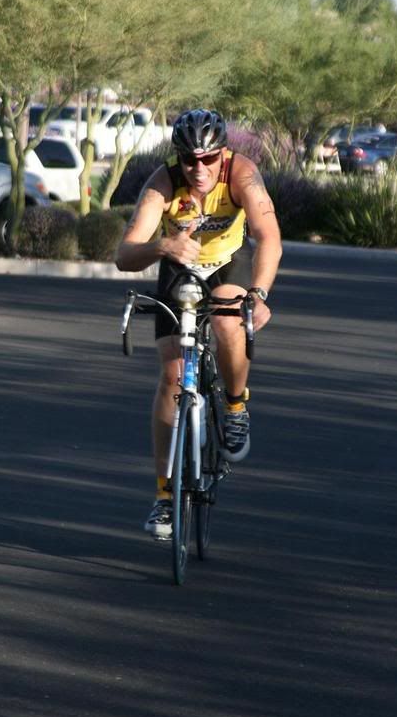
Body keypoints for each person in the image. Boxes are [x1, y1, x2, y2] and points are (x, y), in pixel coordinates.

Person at [116, 109, 282, 539]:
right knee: (171, 375)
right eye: (190, 159)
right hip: (180, 265)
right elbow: (124, 254)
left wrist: (259, 294)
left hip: (229, 263)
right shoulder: (163, 183)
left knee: (229, 318)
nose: (199, 168)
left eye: (208, 159)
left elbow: (268, 236)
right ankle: (164, 497)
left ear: (222, 154)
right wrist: (162, 246)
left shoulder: (242, 174)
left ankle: (235, 405)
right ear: (179, 158)